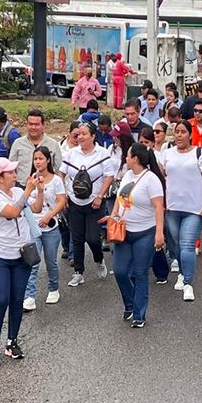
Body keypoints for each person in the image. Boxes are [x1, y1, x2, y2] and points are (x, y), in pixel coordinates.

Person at [0, 158, 35, 363]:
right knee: (1, 299)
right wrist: (28, 191)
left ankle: (12, 342)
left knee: (16, 301)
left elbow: (36, 207)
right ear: (0, 177)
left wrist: (37, 191)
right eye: (11, 172)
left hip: (21, 257)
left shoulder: (17, 192)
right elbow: (13, 212)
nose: (15, 175)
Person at [109, 142, 166, 327]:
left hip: (145, 233)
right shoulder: (126, 175)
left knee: (141, 273)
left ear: (135, 158)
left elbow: (159, 207)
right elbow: (119, 198)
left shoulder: (152, 179)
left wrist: (159, 232)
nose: (125, 158)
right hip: (124, 231)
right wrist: (113, 216)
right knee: (119, 271)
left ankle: (139, 315)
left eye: (128, 155)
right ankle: (130, 304)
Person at [158, 120, 202, 303]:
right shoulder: (166, 154)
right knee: (175, 246)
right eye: (177, 132)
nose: (179, 135)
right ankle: (182, 273)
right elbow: (160, 178)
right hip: (173, 208)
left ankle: (188, 283)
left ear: (190, 134)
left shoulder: (201, 154)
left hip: (194, 209)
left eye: (183, 132)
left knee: (187, 245)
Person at [59, 123, 116, 287]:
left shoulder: (102, 153)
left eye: (84, 134)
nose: (81, 137)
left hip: (94, 203)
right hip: (74, 202)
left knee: (92, 238)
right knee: (76, 239)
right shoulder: (71, 154)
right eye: (78, 134)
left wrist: (100, 195)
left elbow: (109, 176)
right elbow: (61, 173)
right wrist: (64, 194)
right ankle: (78, 272)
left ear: (93, 136)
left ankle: (99, 260)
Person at [22, 147, 68, 311]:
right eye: (35, 159)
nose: (38, 162)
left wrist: (49, 216)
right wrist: (36, 189)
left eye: (41, 158)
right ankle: (30, 295)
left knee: (51, 261)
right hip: (33, 226)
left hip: (51, 227)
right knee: (32, 261)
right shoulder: (31, 180)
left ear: (48, 160)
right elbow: (30, 204)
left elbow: (62, 201)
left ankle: (53, 288)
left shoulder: (56, 180)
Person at [10, 108, 63, 182]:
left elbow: (58, 169)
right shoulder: (17, 143)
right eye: (30, 124)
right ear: (27, 124)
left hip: (46, 187)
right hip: (22, 187)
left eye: (36, 124)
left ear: (43, 125)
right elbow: (11, 168)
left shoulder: (53, 144)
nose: (33, 127)